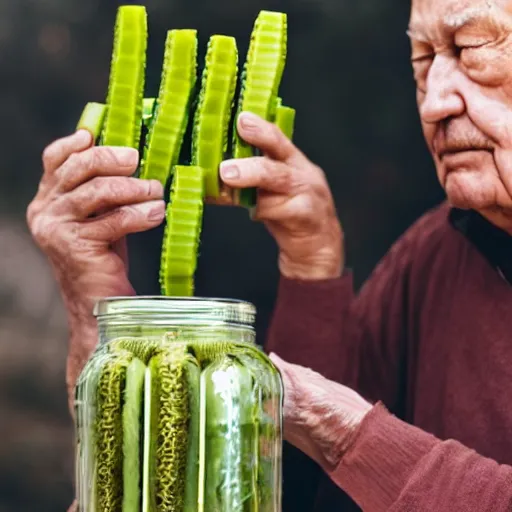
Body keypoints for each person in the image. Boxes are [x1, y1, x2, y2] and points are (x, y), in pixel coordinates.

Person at [27, 0, 512, 509]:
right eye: (422, 60)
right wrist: (103, 319)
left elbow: (352, 449)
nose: (434, 101)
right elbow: (280, 491)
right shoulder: (438, 253)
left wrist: (349, 433)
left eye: (472, 48)